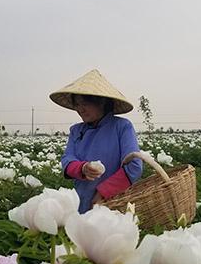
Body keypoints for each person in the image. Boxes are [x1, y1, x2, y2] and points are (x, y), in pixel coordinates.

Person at [51, 69, 143, 213]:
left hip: (112, 203)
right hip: (80, 201)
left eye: (85, 104)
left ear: (102, 102)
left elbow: (134, 166)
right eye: (77, 104)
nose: (80, 109)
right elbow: (67, 160)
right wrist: (83, 168)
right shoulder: (76, 130)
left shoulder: (122, 127)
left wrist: (103, 192)